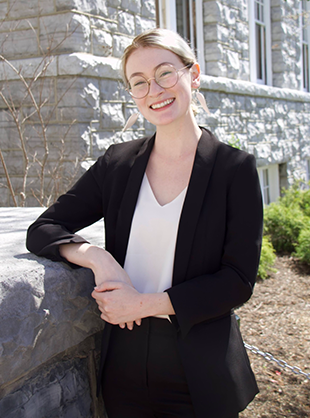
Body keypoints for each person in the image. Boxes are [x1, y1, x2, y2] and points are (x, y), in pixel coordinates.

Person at [27, 28, 263, 418]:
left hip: (201, 372)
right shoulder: (117, 164)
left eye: (165, 73)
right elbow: (44, 228)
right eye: (139, 82)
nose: (154, 89)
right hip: (125, 367)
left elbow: (237, 279)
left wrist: (145, 303)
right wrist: (97, 257)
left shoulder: (234, 169)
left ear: (194, 74)